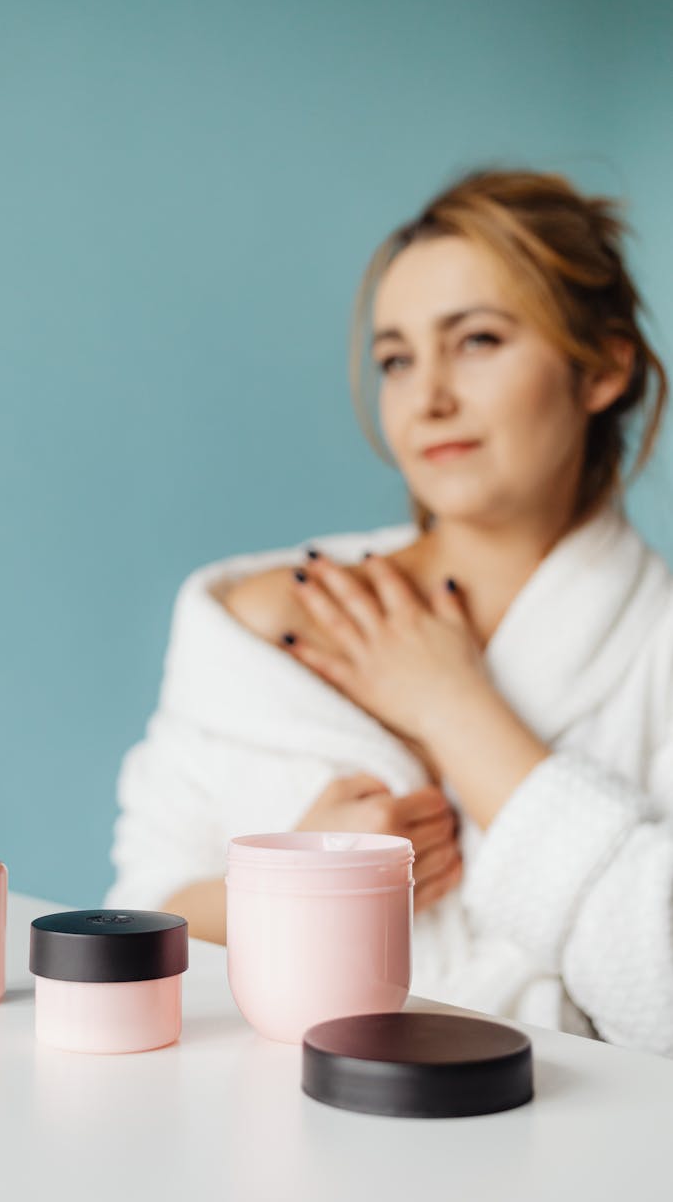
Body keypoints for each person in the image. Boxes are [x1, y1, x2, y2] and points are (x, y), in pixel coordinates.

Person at [103, 167, 673, 1057]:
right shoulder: (272, 618)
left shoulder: (655, 645)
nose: (427, 396)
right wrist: (298, 884)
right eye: (396, 359)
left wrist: (456, 708)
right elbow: (140, 922)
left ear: (601, 367)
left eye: (477, 340)